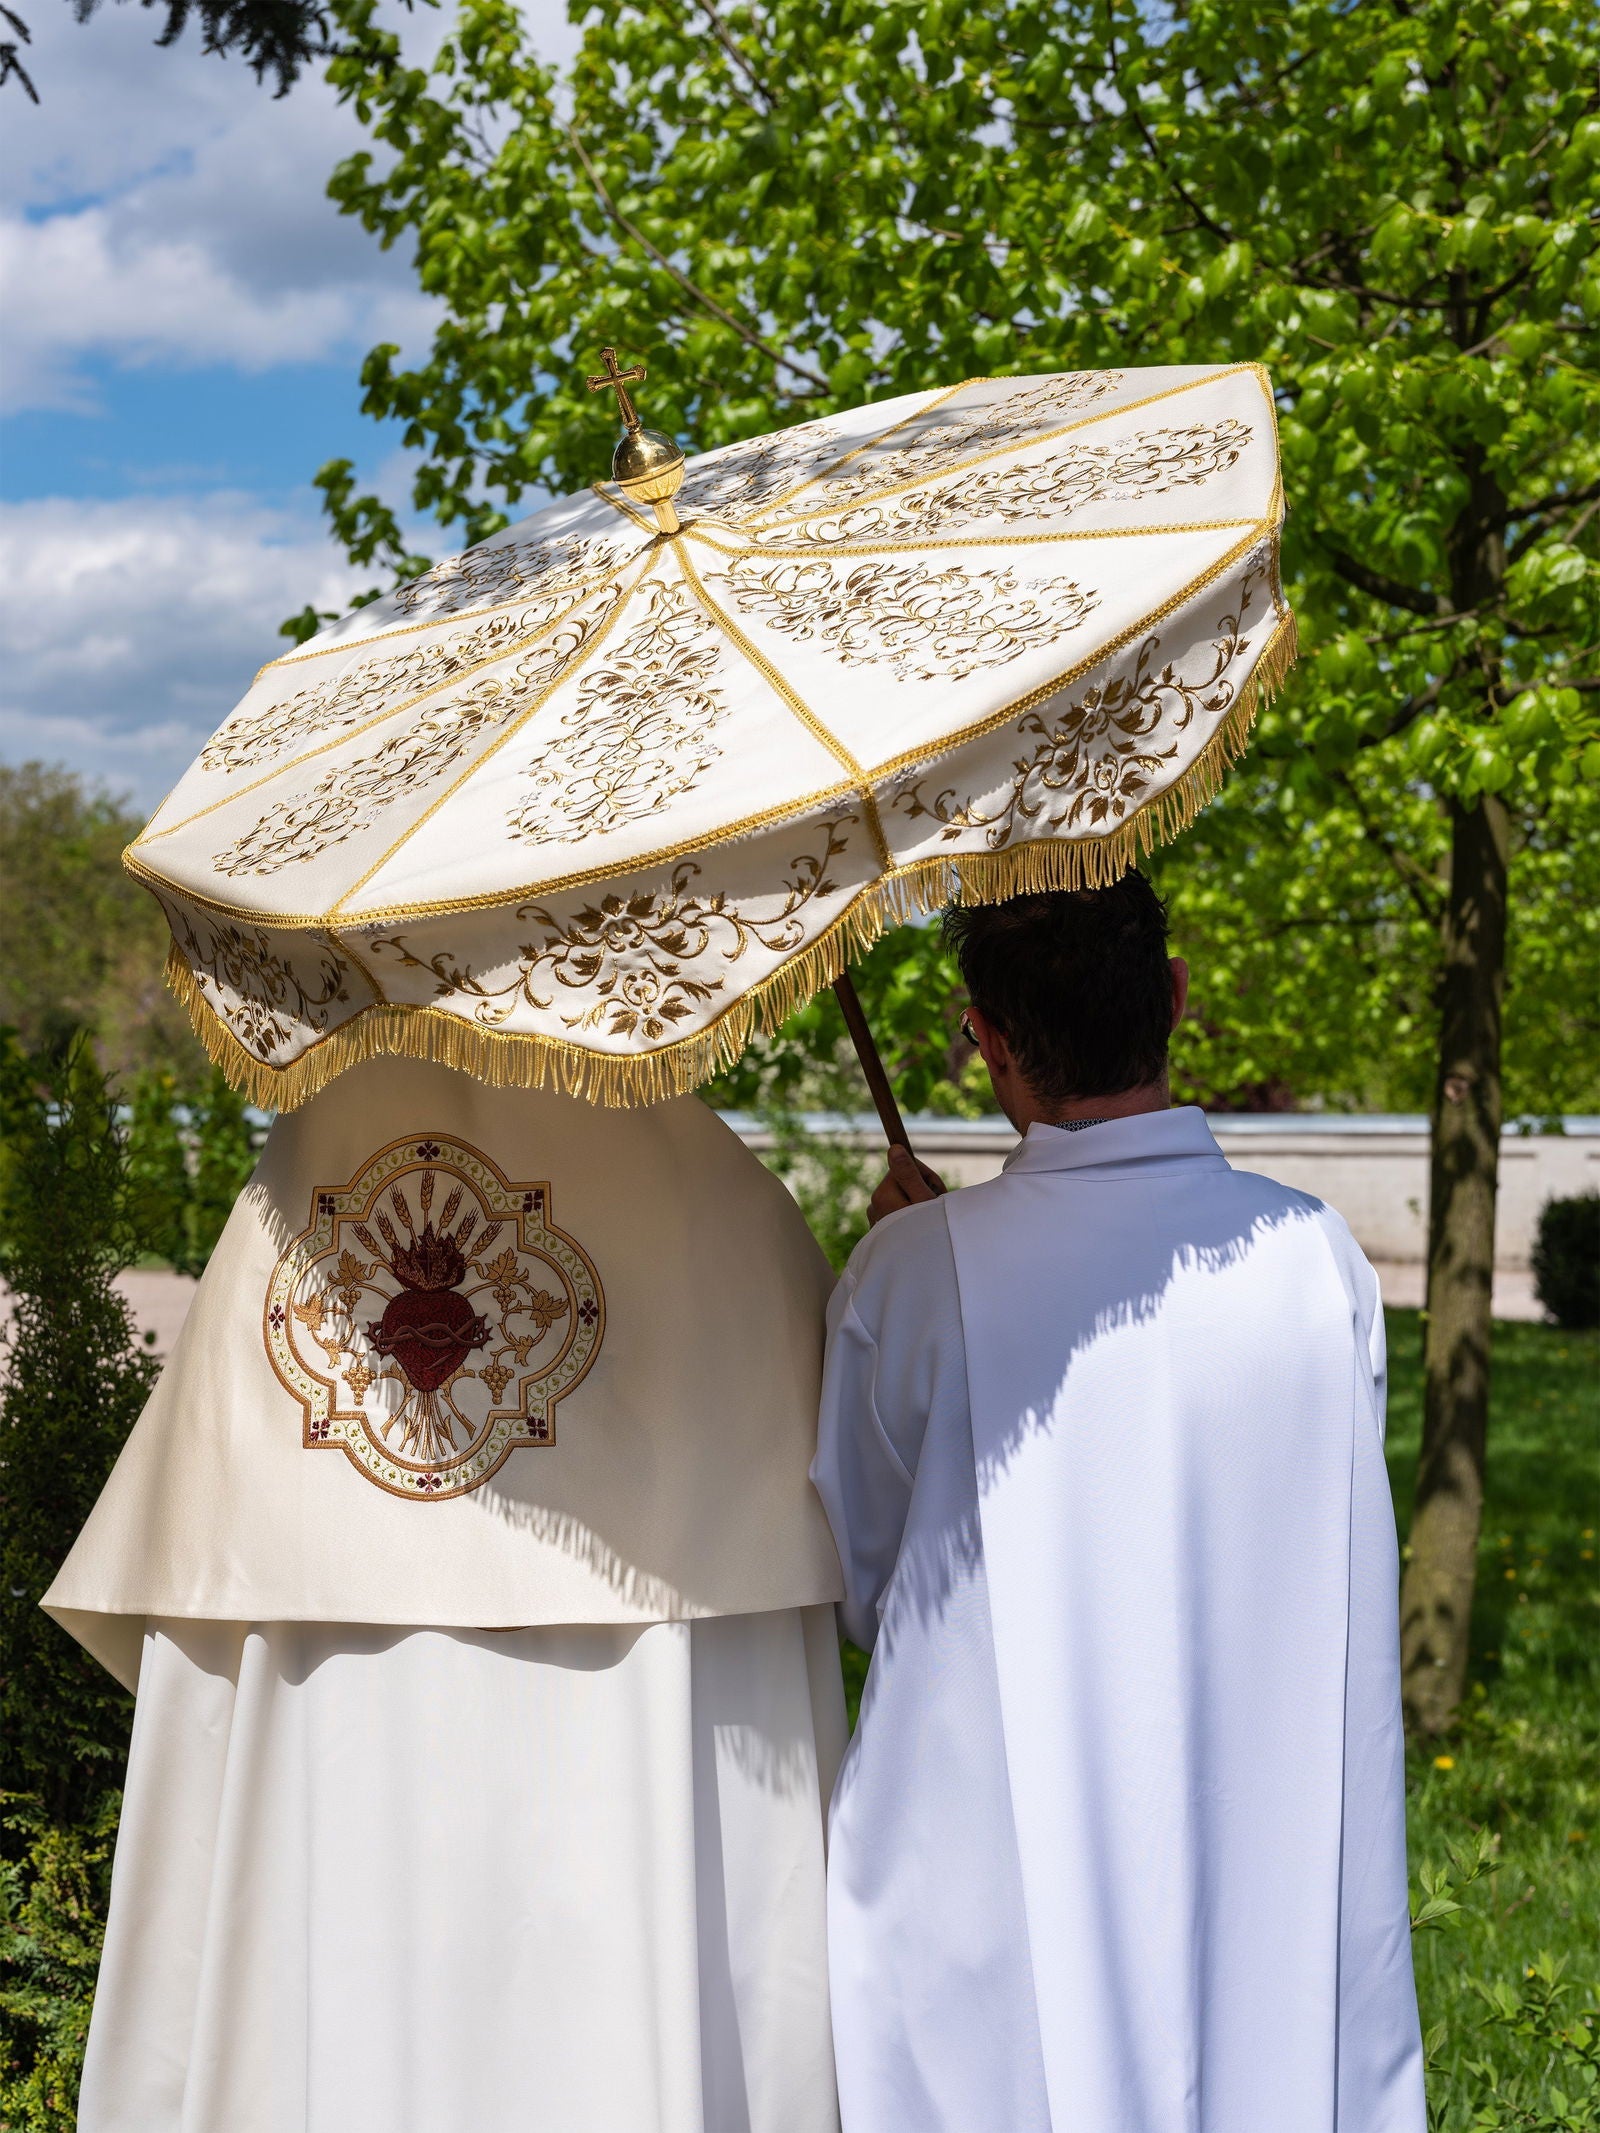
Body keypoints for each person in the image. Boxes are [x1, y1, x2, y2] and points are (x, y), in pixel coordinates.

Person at [46, 1054, 846, 2133]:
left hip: (344, 1728)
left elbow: (200, 1561)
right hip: (617, 1747)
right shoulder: (706, 1183)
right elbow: (849, 1491)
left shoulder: (305, 1168)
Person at [812, 874, 1426, 2133]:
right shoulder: (1317, 1257)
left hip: (988, 1854)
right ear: (1178, 998)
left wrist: (918, 1266)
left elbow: (864, 1579)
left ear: (982, 1039)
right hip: (1259, 1805)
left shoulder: (910, 1272)